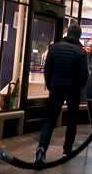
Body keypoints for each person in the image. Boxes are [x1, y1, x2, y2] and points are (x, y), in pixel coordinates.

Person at [35, 24, 88, 164]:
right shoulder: (81, 52)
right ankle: (67, 151)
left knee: (50, 119)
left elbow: (47, 69)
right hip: (73, 88)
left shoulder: (54, 48)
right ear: (79, 36)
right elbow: (84, 74)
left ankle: (41, 148)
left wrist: (50, 84)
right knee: (71, 120)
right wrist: (79, 86)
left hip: (56, 86)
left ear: (67, 33)